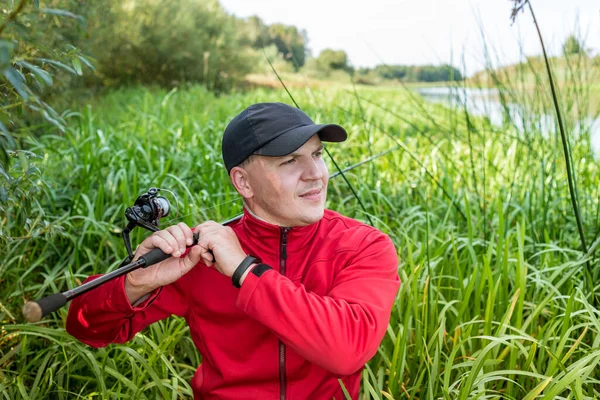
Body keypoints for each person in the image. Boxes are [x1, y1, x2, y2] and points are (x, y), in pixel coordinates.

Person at [66, 102, 400, 399]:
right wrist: (137, 282)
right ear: (243, 182)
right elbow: (86, 327)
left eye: (316, 155)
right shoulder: (202, 253)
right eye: (290, 161)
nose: (316, 175)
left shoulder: (364, 246)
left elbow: (346, 350)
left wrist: (245, 270)